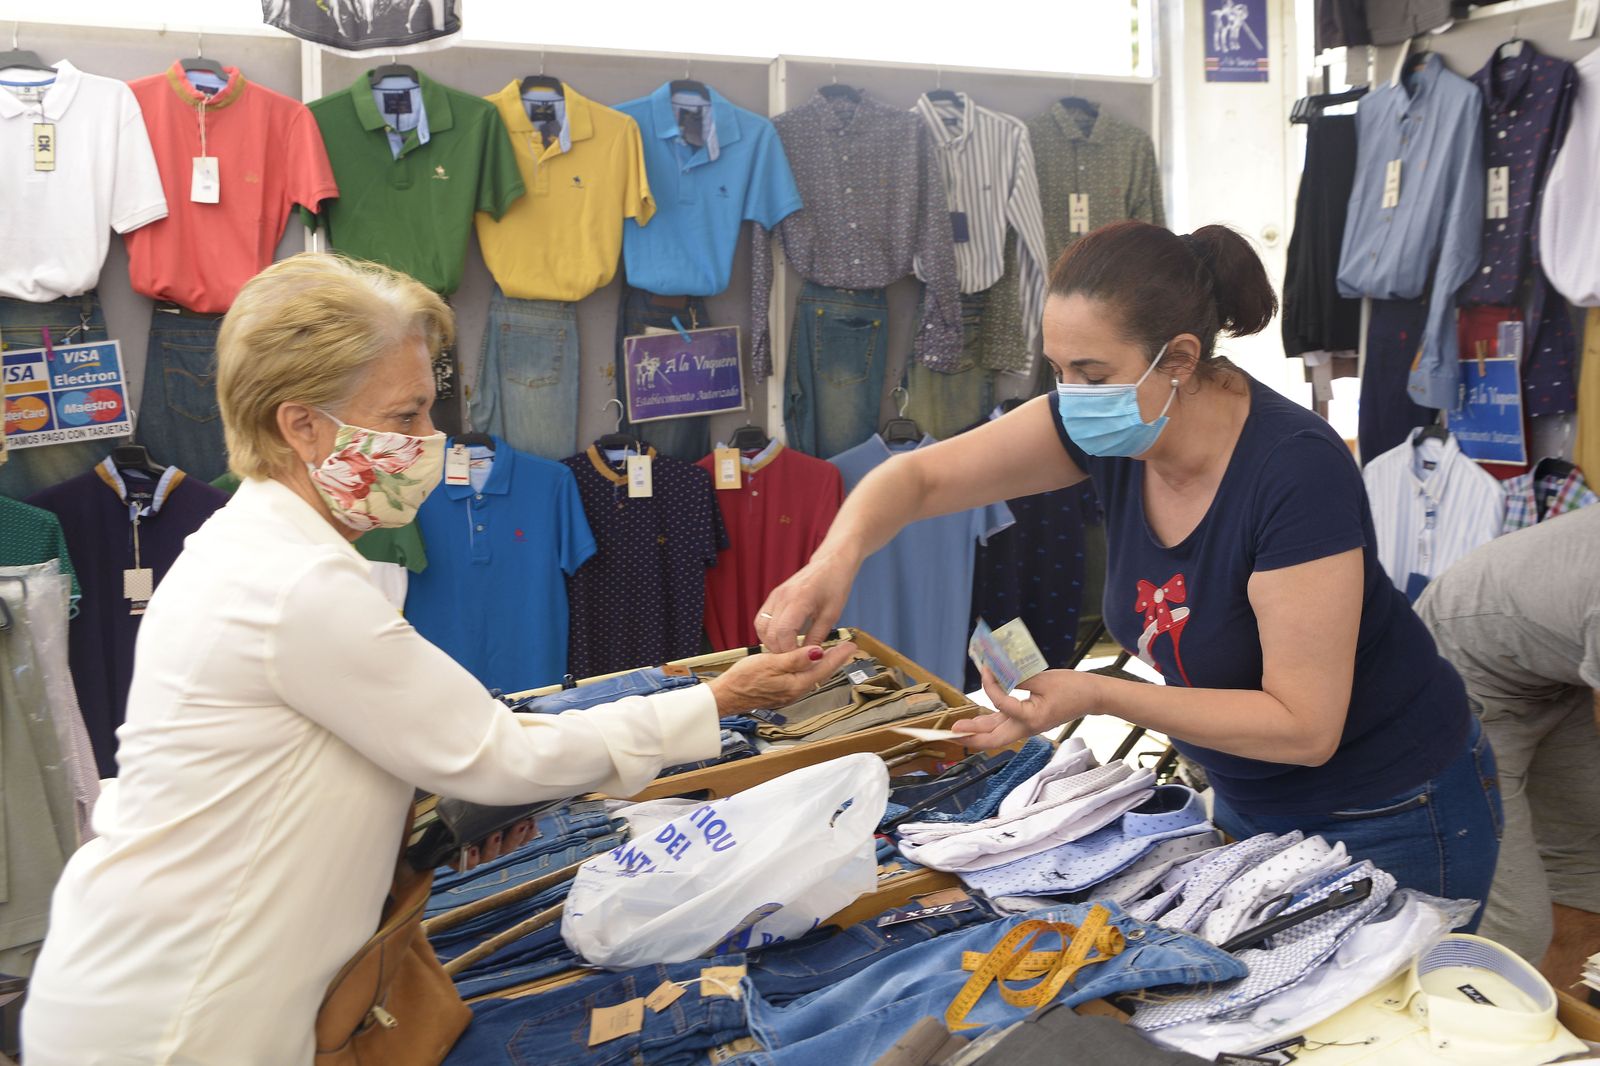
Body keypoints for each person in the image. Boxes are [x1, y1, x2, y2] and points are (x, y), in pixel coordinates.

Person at [21, 254, 857, 1066]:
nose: (434, 439)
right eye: (406, 417)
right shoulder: (296, 582)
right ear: (302, 424)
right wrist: (719, 700)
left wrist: (429, 821)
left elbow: (296, 768)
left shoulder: (255, 549)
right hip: (174, 1021)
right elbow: (502, 754)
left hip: (170, 989)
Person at [759, 220, 1502, 910]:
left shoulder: (1293, 473)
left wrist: (1095, 694)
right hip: (1249, 795)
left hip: (1392, 808)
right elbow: (914, 478)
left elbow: (1304, 726)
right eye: (1056, 368)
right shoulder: (1113, 428)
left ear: (1178, 359)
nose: (1069, 397)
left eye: (1090, 371)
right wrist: (832, 562)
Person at [1415, 505, 1600, 978]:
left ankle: (1566, 1039)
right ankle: (1487, 1036)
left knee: (1587, 880)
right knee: (1516, 922)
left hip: (1560, 669)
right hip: (1465, 662)